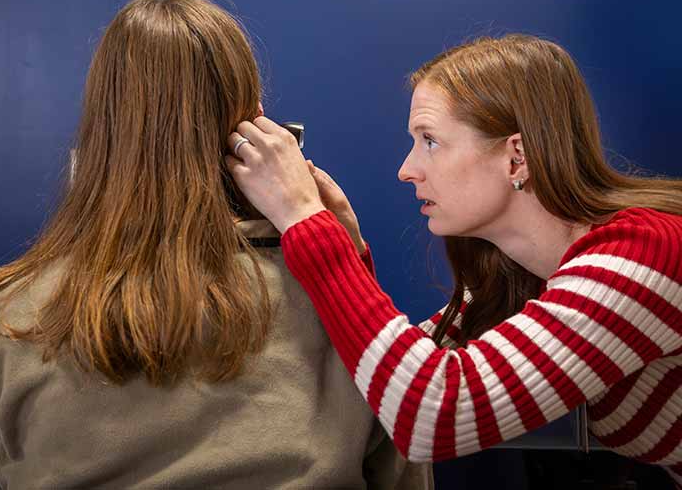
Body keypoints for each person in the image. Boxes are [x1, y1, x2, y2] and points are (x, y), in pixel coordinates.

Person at [0, 0, 433, 490]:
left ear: (100, 133)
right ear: (255, 124)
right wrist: (342, 253)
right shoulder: (344, 309)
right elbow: (405, 474)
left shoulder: (11, 314)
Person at [226, 34, 682, 487]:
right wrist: (347, 243)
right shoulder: (521, 279)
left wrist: (306, 222)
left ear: (516, 158)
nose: (407, 169)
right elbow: (387, 378)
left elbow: (430, 414)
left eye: (430, 141)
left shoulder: (647, 253)